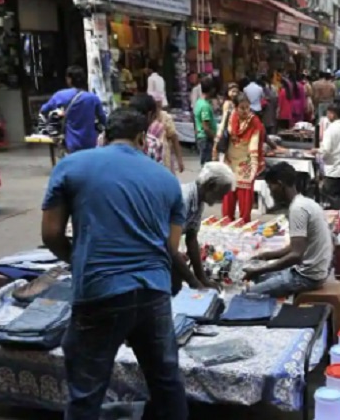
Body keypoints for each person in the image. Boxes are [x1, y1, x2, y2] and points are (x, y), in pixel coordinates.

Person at [41, 108, 189, 419]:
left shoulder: (72, 165)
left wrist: (81, 259)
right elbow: (171, 248)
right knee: (166, 383)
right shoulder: (167, 180)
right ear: (141, 139)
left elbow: (52, 234)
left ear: (105, 136)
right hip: (154, 292)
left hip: (99, 290)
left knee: (86, 391)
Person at [243, 162, 332, 297]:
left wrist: (260, 270)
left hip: (307, 277)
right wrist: (268, 256)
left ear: (280, 184)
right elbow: (295, 247)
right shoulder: (306, 202)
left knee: (249, 293)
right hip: (315, 271)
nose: (270, 192)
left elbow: (296, 255)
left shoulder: (297, 209)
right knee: (259, 277)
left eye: (270, 187)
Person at [181, 162, 236, 291]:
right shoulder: (184, 199)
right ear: (210, 186)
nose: (222, 199)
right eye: (221, 194)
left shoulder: (198, 201)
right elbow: (168, 246)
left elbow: (192, 238)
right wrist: (194, 281)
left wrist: (202, 279)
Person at [215, 92, 266, 222]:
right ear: (236, 107)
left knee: (245, 195)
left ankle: (244, 224)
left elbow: (254, 143)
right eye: (242, 108)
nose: (245, 111)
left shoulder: (254, 122)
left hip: (246, 162)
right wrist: (215, 150)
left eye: (247, 107)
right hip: (230, 161)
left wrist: (254, 164)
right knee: (229, 193)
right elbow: (221, 133)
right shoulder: (230, 116)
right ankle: (227, 222)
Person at [40, 65, 107, 153]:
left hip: (71, 143)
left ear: (69, 79)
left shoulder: (60, 95)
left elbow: (44, 110)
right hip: (91, 143)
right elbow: (103, 120)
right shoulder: (93, 98)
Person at [312, 102, 340, 209]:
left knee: (331, 203)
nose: (327, 116)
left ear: (333, 114)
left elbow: (326, 150)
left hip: (332, 171)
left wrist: (317, 152)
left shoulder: (330, 130)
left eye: (328, 113)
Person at [145, 92, 185, 174]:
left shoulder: (166, 118)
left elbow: (174, 139)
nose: (158, 109)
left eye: (159, 106)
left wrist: (179, 160)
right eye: (156, 106)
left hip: (164, 157)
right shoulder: (145, 117)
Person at [194, 78, 217, 166]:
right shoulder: (205, 106)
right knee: (208, 165)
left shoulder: (199, 102)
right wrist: (214, 137)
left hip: (201, 137)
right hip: (206, 139)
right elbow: (206, 127)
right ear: (211, 89)